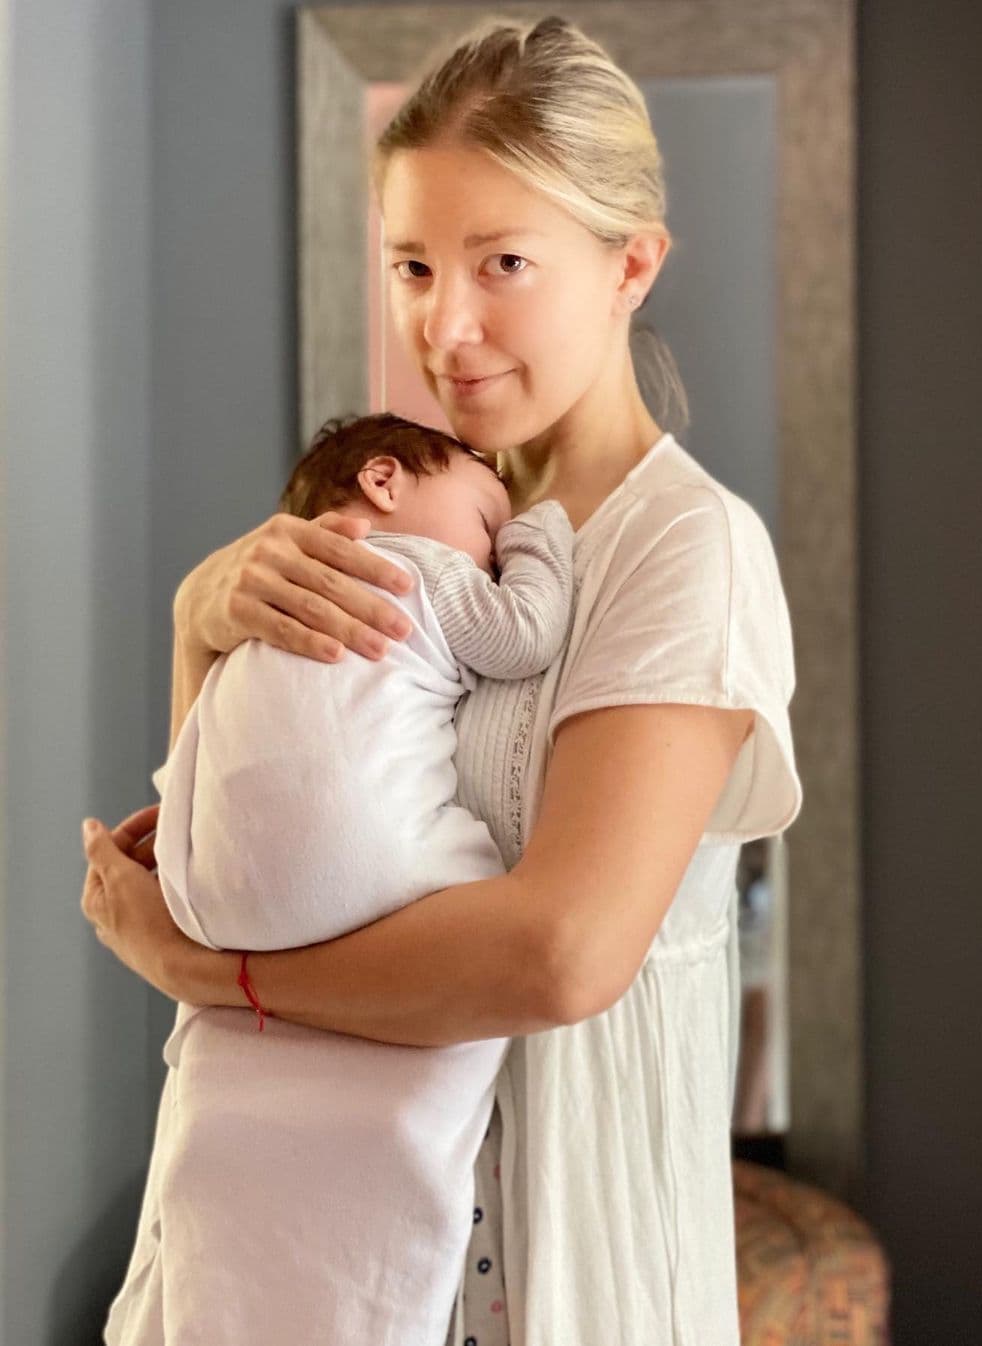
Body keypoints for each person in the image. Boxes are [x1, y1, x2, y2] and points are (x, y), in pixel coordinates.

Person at [81, 14, 803, 1346]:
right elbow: (254, 830)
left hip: (548, 1272)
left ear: (629, 263)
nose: (443, 322)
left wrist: (214, 971)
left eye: (503, 262)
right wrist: (199, 619)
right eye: (412, 263)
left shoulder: (682, 548)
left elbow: (559, 951)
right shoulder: (411, 526)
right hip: (320, 1243)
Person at [106, 411, 573, 1343]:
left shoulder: (254, 620)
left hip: (215, 904)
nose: (490, 547)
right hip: (369, 880)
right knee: (479, 870)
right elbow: (524, 637)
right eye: (486, 518)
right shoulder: (410, 567)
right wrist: (543, 534)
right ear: (387, 485)